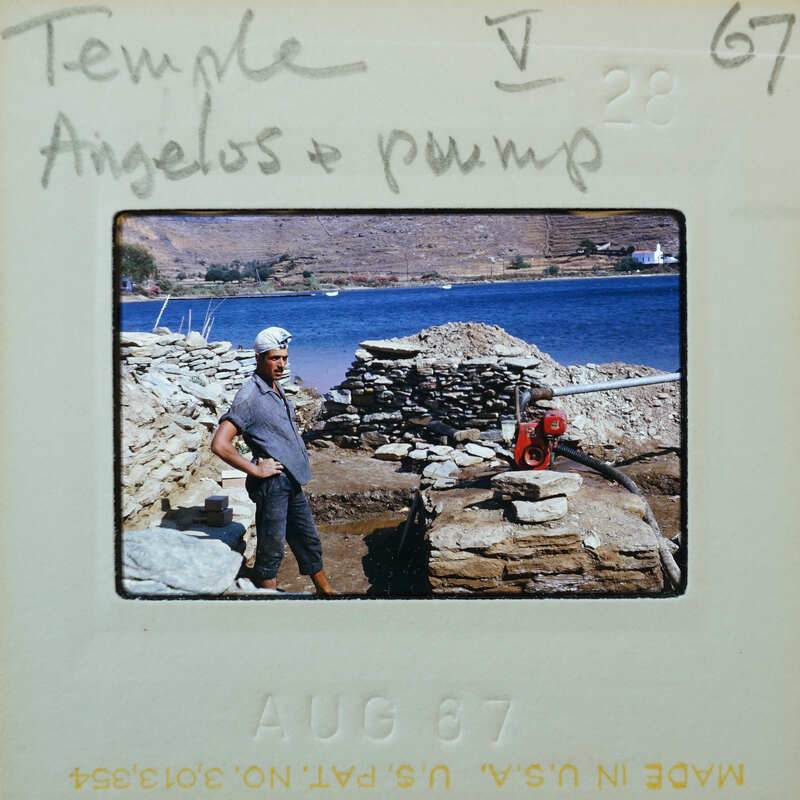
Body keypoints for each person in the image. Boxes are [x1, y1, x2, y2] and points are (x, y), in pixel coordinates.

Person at [211, 326, 334, 596]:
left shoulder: (275, 386)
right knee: (272, 548)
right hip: (273, 484)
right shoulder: (249, 396)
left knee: (307, 539)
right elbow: (220, 444)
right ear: (258, 358)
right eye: (274, 358)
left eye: (284, 358)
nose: (281, 364)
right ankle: (269, 602)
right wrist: (255, 469)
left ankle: (326, 591)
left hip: (291, 479)